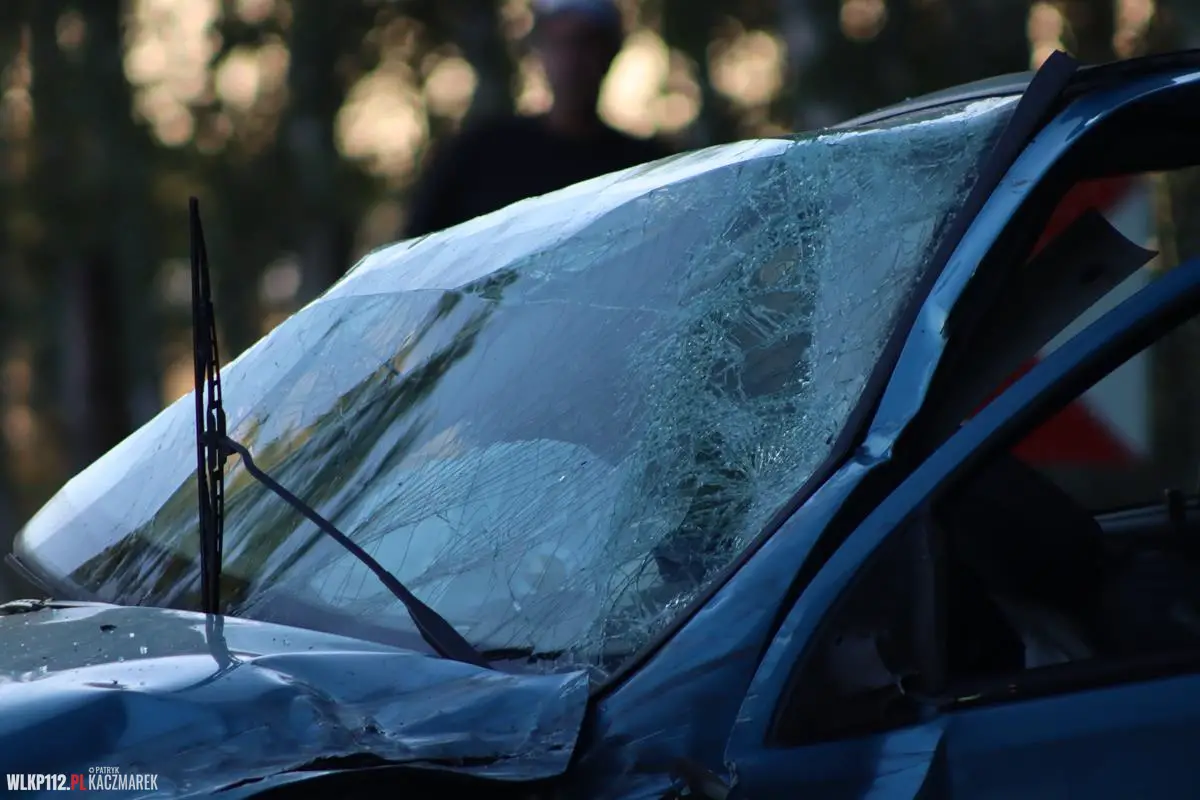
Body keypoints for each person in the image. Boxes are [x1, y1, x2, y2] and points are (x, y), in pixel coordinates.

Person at [402, 0, 672, 239]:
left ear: (611, 51)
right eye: (559, 43)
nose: (572, 61)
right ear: (539, 49)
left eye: (587, 43)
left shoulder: (647, 169)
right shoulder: (476, 154)